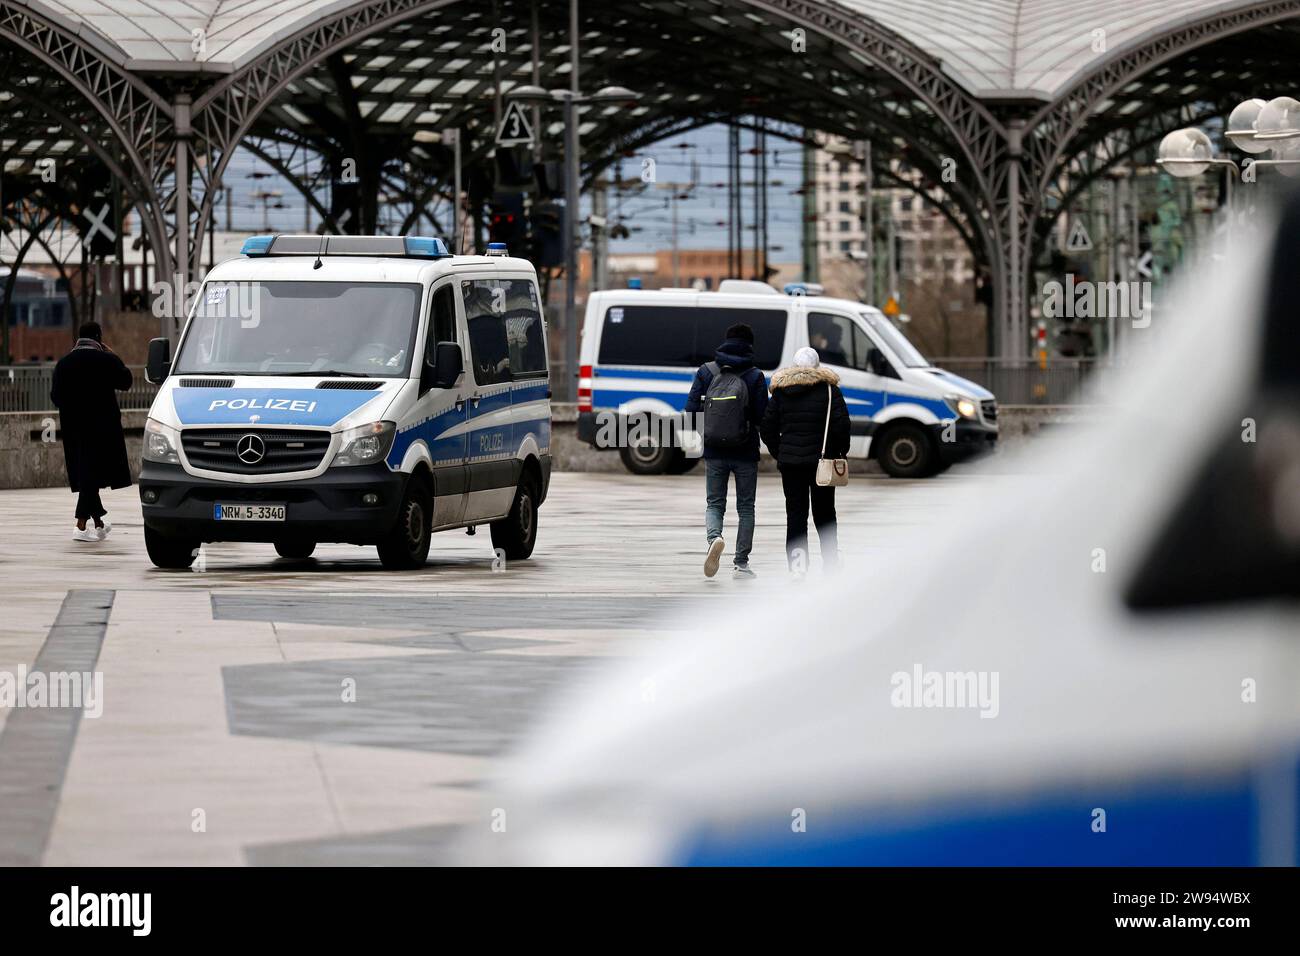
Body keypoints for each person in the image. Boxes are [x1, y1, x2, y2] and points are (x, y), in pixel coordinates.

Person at [684, 322, 769, 579]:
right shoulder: (754, 375)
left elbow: (690, 412)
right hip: (745, 452)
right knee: (746, 507)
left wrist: (709, 432)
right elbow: (762, 417)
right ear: (750, 345)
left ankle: (714, 538)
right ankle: (741, 564)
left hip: (714, 451)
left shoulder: (706, 372)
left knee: (714, 503)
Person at [760, 346, 851, 577]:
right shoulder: (830, 392)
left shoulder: (780, 393)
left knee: (796, 516)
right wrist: (839, 452)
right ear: (817, 367)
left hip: (791, 466)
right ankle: (830, 563)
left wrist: (781, 453)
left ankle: (798, 568)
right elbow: (842, 426)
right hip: (822, 464)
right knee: (825, 514)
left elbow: (767, 428)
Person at [50, 322, 133, 541]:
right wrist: (114, 356)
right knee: (91, 474)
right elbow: (126, 382)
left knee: (88, 474)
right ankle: (79, 525)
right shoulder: (106, 360)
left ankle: (99, 523)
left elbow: (56, 397)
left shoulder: (63, 364)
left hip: (74, 429)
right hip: (102, 428)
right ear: (99, 337)